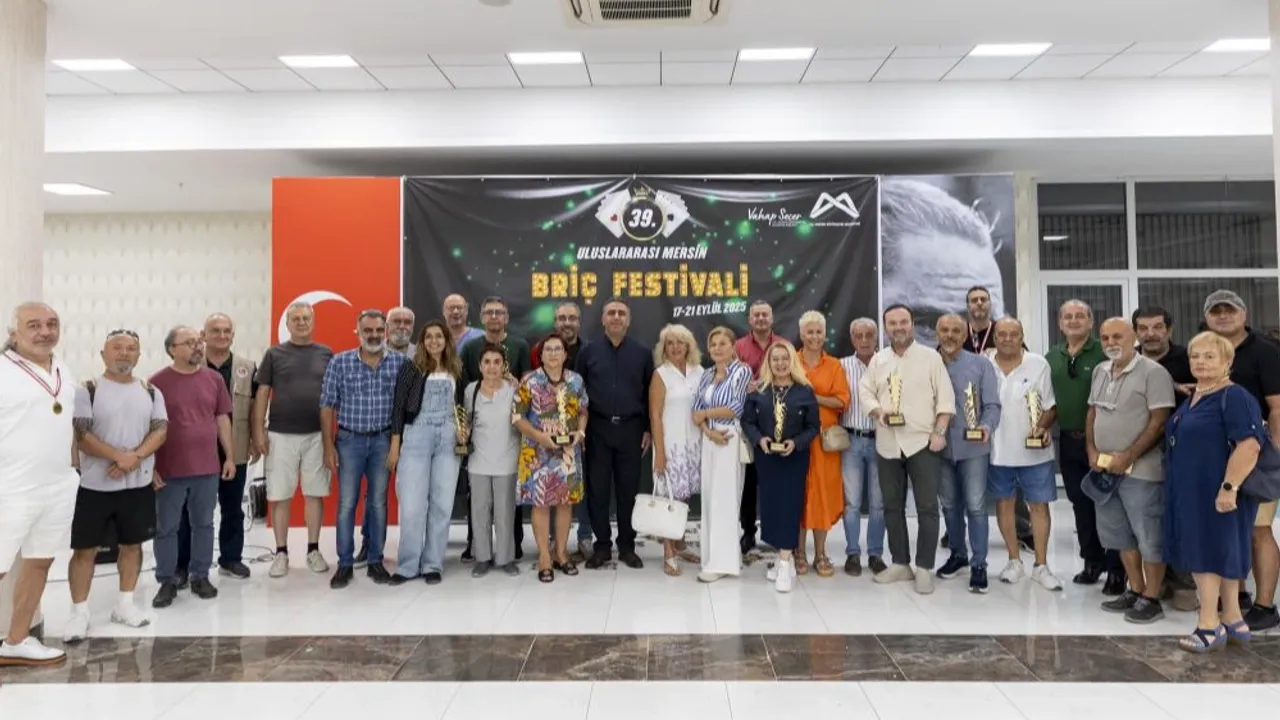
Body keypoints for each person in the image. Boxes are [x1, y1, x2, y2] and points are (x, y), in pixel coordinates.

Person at [1164, 331, 1265, 652]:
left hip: (1219, 490)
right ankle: (1233, 618)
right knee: (1222, 551)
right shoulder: (1196, 395)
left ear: (1227, 361)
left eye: (1210, 356)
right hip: (1193, 490)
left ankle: (1209, 624)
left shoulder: (1234, 397)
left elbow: (1249, 446)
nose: (1201, 362)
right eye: (1195, 356)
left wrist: (1229, 487)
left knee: (1206, 553)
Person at [65, 329, 167, 641]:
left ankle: (125, 605)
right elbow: (82, 435)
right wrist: (118, 457)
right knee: (84, 550)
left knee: (132, 546)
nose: (124, 353)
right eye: (117, 347)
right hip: (95, 487)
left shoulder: (151, 391)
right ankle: (79, 613)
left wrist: (134, 457)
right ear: (103, 354)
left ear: (139, 355)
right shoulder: (88, 390)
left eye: (131, 348)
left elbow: (160, 430)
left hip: (137, 485)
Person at [0, 302, 78, 666]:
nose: (45, 331)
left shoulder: (62, 367)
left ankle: (16, 641)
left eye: (51, 324)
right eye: (33, 325)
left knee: (39, 562)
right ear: (13, 333)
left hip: (57, 486)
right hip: (11, 488)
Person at [859, 304, 955, 595]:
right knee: (891, 506)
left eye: (903, 322)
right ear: (885, 327)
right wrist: (877, 411)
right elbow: (865, 391)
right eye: (892, 323)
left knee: (927, 507)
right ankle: (900, 562)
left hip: (923, 443)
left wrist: (939, 433)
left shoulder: (930, 358)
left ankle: (924, 567)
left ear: (912, 324)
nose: (898, 327)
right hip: (888, 444)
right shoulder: (879, 360)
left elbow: (945, 400)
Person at [1086, 318, 1175, 624]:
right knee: (1120, 535)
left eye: (1118, 336)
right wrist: (1091, 450)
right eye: (1105, 337)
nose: (1111, 342)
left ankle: (1152, 597)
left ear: (1133, 337)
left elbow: (1159, 421)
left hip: (1142, 472)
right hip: (1105, 470)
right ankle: (1135, 589)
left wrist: (1129, 455)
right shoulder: (1100, 370)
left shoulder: (1153, 372)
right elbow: (1092, 412)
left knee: (1149, 537)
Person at [1203, 289, 1280, 631]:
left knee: (1258, 530)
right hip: (1217, 458)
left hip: (1256, 455)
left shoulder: (1265, 351)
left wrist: (1272, 453)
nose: (1223, 316)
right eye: (1216, 311)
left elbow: (1277, 407)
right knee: (1230, 530)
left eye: (1229, 310)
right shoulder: (1206, 349)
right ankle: (1239, 595)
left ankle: (1265, 604)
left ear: (1244, 314)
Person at [149, 325, 236, 609]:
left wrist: (230, 456)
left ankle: (200, 575)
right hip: (169, 469)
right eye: (189, 342)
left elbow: (222, 419)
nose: (198, 346)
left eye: (199, 341)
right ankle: (167, 580)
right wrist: (150, 467)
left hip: (207, 467)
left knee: (204, 524)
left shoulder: (214, 379)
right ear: (172, 349)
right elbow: (148, 427)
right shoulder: (156, 383)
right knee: (166, 528)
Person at [320, 309, 406, 589]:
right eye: (368, 330)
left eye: (379, 330)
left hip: (383, 441)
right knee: (347, 503)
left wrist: (396, 445)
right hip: (349, 441)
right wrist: (328, 446)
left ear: (386, 332)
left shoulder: (400, 363)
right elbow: (327, 405)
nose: (374, 335)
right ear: (358, 331)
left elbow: (403, 407)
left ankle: (375, 561)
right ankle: (344, 564)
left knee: (378, 503)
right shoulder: (340, 362)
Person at [253, 301, 334, 578]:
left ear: (313, 321)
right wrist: (258, 431)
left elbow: (334, 395)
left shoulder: (326, 354)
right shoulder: (274, 354)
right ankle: (281, 553)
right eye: (296, 318)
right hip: (280, 435)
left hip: (316, 435)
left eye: (306, 318)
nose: (301, 322)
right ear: (287, 324)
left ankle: (313, 550)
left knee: (314, 493)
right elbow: (262, 393)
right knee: (280, 495)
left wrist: (330, 439)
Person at [1047, 299, 1122, 593]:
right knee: (1080, 503)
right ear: (1060, 323)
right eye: (1068, 316)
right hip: (1068, 440)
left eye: (1080, 316)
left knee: (1107, 504)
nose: (1074, 320)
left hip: (1103, 442)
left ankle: (1116, 568)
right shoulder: (1052, 356)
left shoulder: (1104, 352)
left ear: (1091, 322)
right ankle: (1092, 561)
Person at [176, 313, 257, 583]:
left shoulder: (247, 367)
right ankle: (183, 564)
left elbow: (254, 407)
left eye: (226, 331)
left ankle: (231, 559)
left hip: (236, 447)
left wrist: (256, 439)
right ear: (203, 335)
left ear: (233, 335)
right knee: (192, 510)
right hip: (197, 451)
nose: (222, 336)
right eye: (215, 330)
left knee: (233, 507)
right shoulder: (190, 366)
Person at [577, 298, 653, 570]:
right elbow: (578, 393)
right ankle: (602, 546)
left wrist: (648, 428)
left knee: (627, 491)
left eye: (621, 313)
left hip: (632, 429)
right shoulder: (588, 352)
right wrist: (580, 430)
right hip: (597, 429)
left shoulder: (642, 353)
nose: (616, 317)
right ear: (603, 319)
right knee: (597, 491)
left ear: (628, 320)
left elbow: (650, 394)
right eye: (611, 313)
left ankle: (627, 546)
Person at [988, 318, 1064, 591]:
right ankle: (1014, 561)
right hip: (998, 451)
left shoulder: (1038, 364)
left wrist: (1042, 427)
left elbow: (1050, 406)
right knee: (1004, 504)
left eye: (1013, 334)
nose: (1007, 338)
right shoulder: (985, 363)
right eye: (1002, 334)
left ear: (1022, 336)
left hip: (1035, 453)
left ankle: (1041, 565)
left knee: (1039, 506)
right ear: (994, 338)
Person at [387, 320, 463, 585]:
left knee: (442, 504)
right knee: (412, 505)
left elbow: (462, 406)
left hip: (448, 438)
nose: (434, 341)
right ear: (422, 342)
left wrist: (463, 431)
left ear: (446, 340)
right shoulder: (412, 367)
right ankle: (407, 565)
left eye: (438, 336)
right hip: (416, 435)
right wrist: (395, 446)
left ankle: (432, 564)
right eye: (428, 337)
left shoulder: (456, 368)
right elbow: (398, 407)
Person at [742, 341, 820, 593]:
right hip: (767, 458)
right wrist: (759, 439)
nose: (780, 363)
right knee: (772, 508)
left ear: (792, 361)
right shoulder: (759, 390)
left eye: (784, 359)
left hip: (794, 459)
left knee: (789, 506)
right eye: (775, 359)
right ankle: (781, 557)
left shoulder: (804, 391)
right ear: (768, 362)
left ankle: (786, 564)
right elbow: (747, 421)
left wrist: (796, 443)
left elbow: (813, 427)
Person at [458, 296, 531, 563]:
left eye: (499, 312)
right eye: (489, 312)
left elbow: (526, 382)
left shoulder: (520, 345)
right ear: (481, 317)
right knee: (478, 503)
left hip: (508, 438)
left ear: (507, 317)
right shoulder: (470, 348)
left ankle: (511, 549)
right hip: (480, 440)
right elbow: (465, 390)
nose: (494, 317)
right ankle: (477, 548)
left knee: (507, 503)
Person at [514, 334, 589, 583]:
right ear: (541, 355)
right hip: (537, 452)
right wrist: (539, 436)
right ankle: (545, 557)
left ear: (566, 355)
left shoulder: (576, 380)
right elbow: (517, 417)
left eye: (558, 349)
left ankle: (561, 553)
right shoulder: (529, 381)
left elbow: (583, 410)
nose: (554, 353)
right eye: (549, 349)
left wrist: (580, 431)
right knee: (542, 503)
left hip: (568, 453)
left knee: (565, 503)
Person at [934, 314, 1001, 594]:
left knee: (975, 505)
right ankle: (958, 554)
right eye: (945, 330)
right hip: (938, 447)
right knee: (949, 505)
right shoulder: (928, 363)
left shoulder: (981, 365)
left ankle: (979, 564)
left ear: (964, 336)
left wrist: (986, 426)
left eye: (956, 331)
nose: (950, 335)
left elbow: (992, 405)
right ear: (937, 334)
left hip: (973, 447)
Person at [691, 326, 753, 583]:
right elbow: (695, 410)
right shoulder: (706, 374)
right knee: (709, 499)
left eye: (722, 343)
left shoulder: (742, 371)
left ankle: (723, 563)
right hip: (710, 438)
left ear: (733, 346)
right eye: (713, 344)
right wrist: (708, 431)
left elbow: (736, 407)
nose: (717, 348)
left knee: (725, 501)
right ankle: (711, 558)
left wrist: (707, 415)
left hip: (729, 438)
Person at [532, 302, 592, 560]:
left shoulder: (589, 352)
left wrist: (582, 432)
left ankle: (581, 538)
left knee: (574, 491)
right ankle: (549, 547)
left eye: (572, 318)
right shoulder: (538, 354)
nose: (567, 322)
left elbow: (585, 404)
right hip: (542, 442)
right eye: (562, 318)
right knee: (546, 495)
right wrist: (538, 435)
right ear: (555, 322)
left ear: (579, 321)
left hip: (578, 438)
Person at [795, 311, 850, 578]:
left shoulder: (834, 365)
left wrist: (812, 397)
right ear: (801, 334)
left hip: (825, 443)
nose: (814, 337)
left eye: (818, 332)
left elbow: (842, 401)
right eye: (810, 332)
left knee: (822, 498)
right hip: (795, 442)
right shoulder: (790, 360)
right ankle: (798, 553)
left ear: (824, 334)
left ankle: (820, 553)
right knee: (798, 496)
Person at [649, 324, 704, 576]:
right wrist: (660, 452)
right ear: (664, 348)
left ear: (688, 346)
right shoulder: (661, 374)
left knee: (684, 495)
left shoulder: (699, 372)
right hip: (670, 445)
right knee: (669, 499)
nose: (675, 347)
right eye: (669, 343)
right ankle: (668, 551)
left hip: (694, 444)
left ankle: (680, 543)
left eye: (680, 342)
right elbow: (655, 415)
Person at [463, 343, 521, 577]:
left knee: (505, 512)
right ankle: (482, 558)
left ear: (504, 365)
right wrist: (462, 433)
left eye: (497, 362)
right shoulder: (471, 390)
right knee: (479, 511)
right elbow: (466, 421)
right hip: (478, 460)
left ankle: (506, 558)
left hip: (507, 458)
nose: (491, 367)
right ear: (480, 366)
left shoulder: (514, 390)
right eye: (486, 362)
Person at [733, 300, 785, 554]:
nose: (761, 319)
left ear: (772, 318)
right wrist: (745, 386)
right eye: (757, 315)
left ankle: (774, 532)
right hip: (749, 422)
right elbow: (729, 380)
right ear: (750, 320)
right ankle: (748, 532)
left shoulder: (784, 345)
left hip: (778, 423)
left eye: (765, 314)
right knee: (749, 483)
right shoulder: (738, 347)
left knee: (775, 482)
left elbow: (792, 376)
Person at [839, 318, 886, 577]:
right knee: (852, 502)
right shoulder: (841, 366)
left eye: (869, 335)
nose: (865, 340)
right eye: (859, 335)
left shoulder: (888, 363)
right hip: (852, 441)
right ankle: (853, 553)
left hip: (882, 439)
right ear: (852, 339)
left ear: (877, 337)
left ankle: (876, 554)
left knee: (878, 503)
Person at [1133, 306, 1194, 404]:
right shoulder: (1126, 361)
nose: (1150, 334)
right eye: (1143, 328)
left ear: (1169, 331)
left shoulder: (1189, 359)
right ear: (1135, 333)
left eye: (1157, 327)